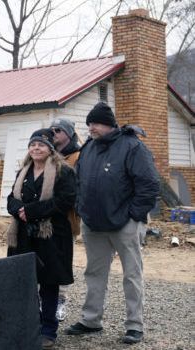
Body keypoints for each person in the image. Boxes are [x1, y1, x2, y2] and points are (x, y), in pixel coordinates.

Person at [65, 102, 159, 345]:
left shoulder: (132, 146)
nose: (90, 128)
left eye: (94, 123)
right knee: (94, 273)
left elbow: (149, 185)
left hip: (125, 224)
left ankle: (135, 325)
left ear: (108, 124)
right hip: (93, 224)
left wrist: (134, 217)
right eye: (89, 124)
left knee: (132, 275)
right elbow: (79, 182)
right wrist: (81, 208)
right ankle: (91, 320)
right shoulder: (88, 148)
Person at [6, 128, 76, 349]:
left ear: (50, 149)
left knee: (48, 283)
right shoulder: (22, 172)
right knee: (25, 282)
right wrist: (19, 210)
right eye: (33, 144)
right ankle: (31, 324)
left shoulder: (64, 171)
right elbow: (10, 199)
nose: (36, 148)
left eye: (41, 145)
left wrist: (33, 211)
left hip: (52, 236)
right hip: (24, 236)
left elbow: (65, 201)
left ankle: (48, 329)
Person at [49, 117, 82, 322]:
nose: (54, 134)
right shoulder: (47, 153)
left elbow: (77, 189)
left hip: (66, 218)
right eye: (52, 130)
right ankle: (45, 299)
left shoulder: (77, 156)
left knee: (62, 260)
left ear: (68, 134)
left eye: (58, 130)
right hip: (44, 217)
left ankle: (61, 299)